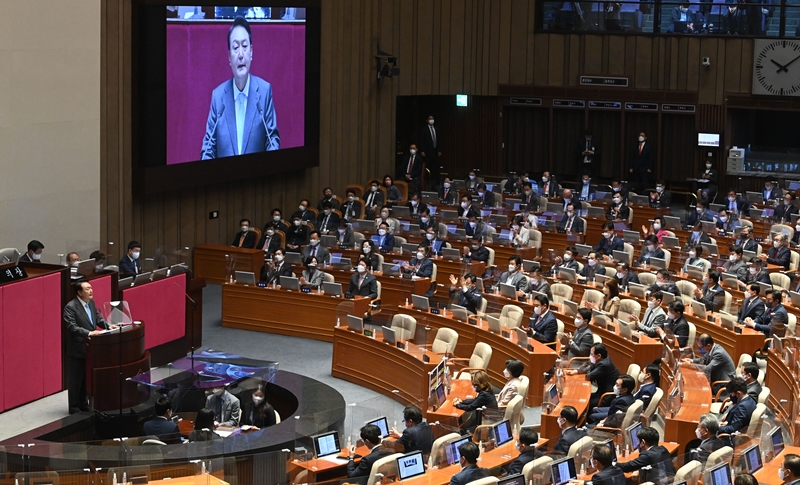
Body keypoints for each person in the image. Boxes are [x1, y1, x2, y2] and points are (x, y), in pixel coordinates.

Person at [201, 17, 279, 159]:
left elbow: (272, 140)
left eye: (245, 46)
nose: (241, 54)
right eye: (235, 48)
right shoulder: (218, 97)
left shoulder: (264, 91)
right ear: (230, 57)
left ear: (251, 52)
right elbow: (208, 147)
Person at [63, 281, 117, 414]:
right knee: (76, 379)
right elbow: (71, 326)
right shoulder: (70, 307)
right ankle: (74, 407)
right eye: (87, 289)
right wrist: (88, 333)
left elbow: (97, 318)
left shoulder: (91, 303)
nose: (91, 290)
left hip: (90, 348)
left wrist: (107, 326)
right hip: (77, 348)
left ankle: (83, 403)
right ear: (79, 293)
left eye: (91, 288)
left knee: (86, 378)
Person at [567, 343, 620, 409]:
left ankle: (587, 418)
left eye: (592, 354)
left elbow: (589, 376)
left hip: (606, 396)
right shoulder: (603, 359)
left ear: (598, 356)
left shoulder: (604, 365)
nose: (590, 356)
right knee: (580, 397)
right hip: (600, 392)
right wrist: (576, 371)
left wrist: (589, 368)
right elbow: (590, 367)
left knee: (583, 404)